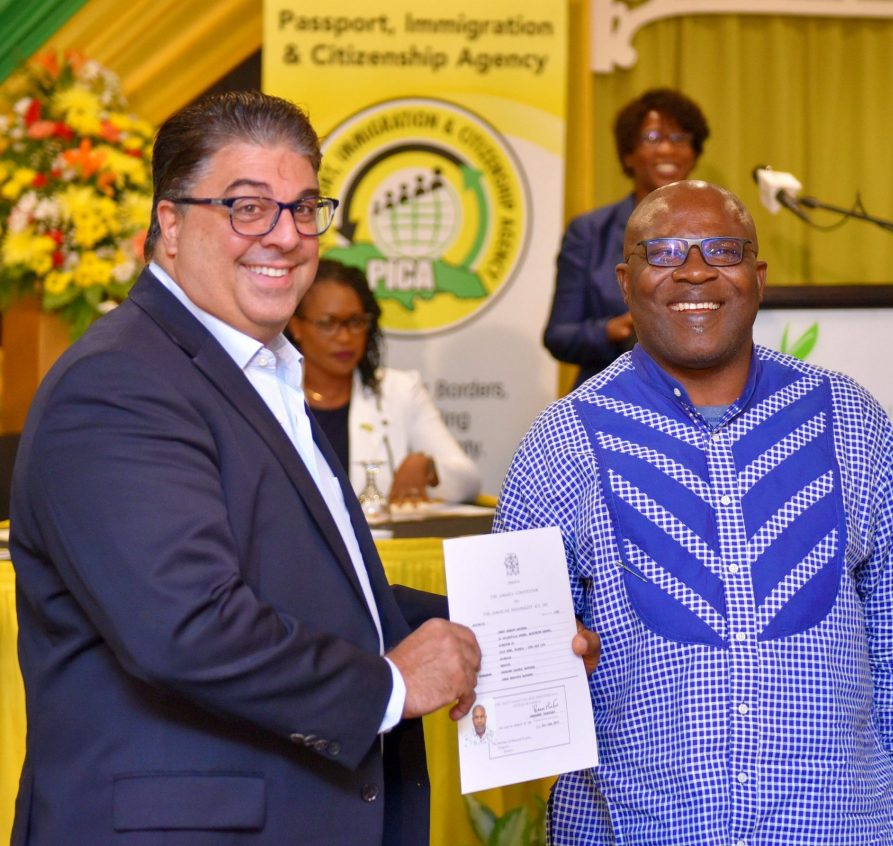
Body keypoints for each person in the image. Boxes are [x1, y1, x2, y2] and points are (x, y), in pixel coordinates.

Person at [10, 90, 491, 846]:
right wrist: (393, 685)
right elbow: (189, 625)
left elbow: (306, 585)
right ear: (169, 224)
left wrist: (486, 626)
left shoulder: (253, 369)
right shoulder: (121, 383)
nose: (285, 235)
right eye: (247, 207)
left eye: (305, 208)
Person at [497, 180, 893, 844]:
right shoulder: (560, 442)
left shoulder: (849, 418)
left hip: (844, 826)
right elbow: (518, 649)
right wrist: (541, 660)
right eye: (665, 252)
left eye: (722, 249)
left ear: (758, 277)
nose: (695, 270)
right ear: (626, 283)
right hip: (638, 828)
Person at [543, 88, 709, 388]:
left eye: (679, 138)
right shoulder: (591, 232)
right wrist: (614, 329)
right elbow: (559, 335)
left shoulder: (717, 229)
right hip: (608, 396)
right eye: (653, 138)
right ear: (628, 154)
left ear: (693, 152)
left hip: (700, 395)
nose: (667, 150)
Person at [288, 259, 480, 504]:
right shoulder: (273, 393)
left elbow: (469, 481)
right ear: (295, 326)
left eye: (355, 322)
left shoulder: (399, 390)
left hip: (380, 542)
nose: (345, 337)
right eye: (328, 323)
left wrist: (429, 468)